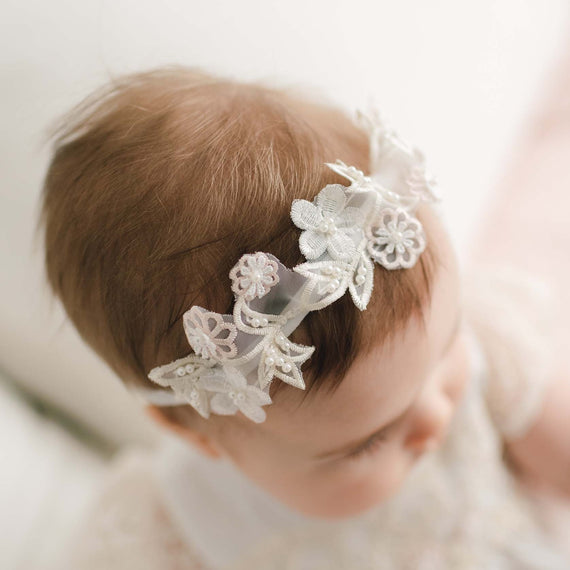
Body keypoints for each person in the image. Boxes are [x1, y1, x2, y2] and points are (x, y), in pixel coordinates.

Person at [37, 64, 570, 569]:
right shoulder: (174, 533)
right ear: (199, 435)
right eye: (370, 441)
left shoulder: (477, 344)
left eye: (448, 344)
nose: (438, 416)